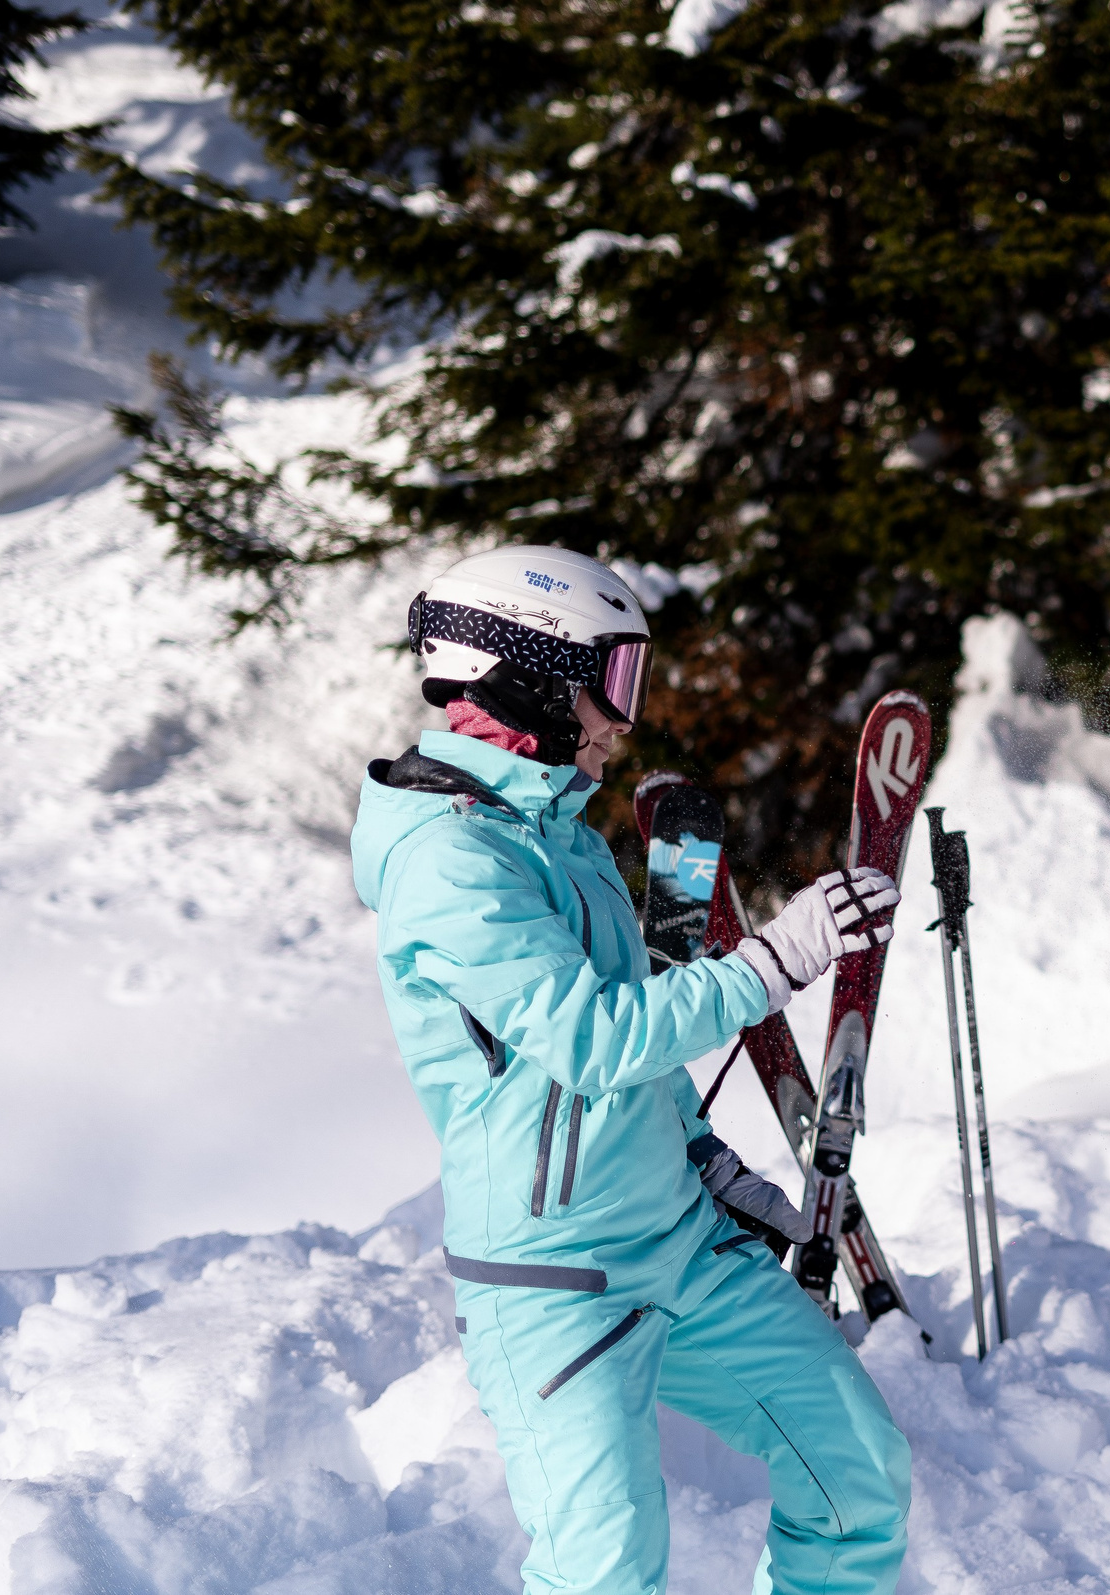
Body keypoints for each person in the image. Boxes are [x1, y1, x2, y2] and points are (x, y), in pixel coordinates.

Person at [350, 544, 911, 1595]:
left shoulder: (559, 838)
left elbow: (628, 1070)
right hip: (554, 1281)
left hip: (681, 1245)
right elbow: (594, 1038)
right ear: (524, 676)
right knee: (604, 1574)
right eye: (612, 681)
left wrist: (705, 1165)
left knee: (856, 1474)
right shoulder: (449, 861)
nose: (623, 717)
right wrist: (778, 958)